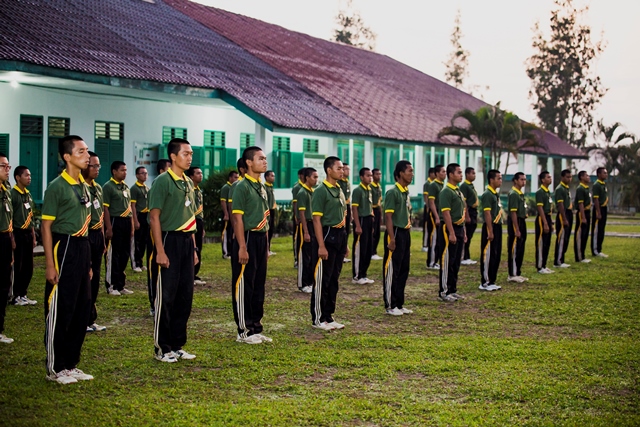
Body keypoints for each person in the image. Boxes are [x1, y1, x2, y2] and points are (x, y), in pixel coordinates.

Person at [41, 135, 94, 383]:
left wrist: (89, 263)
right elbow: (46, 226)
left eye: (87, 151)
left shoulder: (83, 185)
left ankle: (71, 363)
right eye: (81, 152)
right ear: (67, 157)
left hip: (82, 246)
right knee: (61, 307)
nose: (87, 156)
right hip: (65, 245)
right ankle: (56, 367)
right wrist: (50, 264)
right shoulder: (57, 186)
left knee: (81, 308)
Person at [149, 138, 198, 362]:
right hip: (169, 240)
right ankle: (163, 347)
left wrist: (194, 248)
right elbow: (154, 217)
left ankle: (177, 344)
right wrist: (159, 250)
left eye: (190, 154)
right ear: (173, 156)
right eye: (185, 154)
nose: (189, 158)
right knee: (166, 295)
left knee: (184, 295)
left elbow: (190, 217)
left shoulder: (187, 182)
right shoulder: (162, 181)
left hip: (187, 242)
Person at [231, 146, 272, 344]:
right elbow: (237, 219)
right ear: (248, 162)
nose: (264, 162)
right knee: (244, 283)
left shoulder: (261, 186)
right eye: (260, 158)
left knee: (258, 284)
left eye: (265, 159)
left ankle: (255, 326)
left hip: (260, 238)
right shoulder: (241, 186)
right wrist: (241, 246)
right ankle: (244, 330)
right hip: (246, 237)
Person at [310, 156, 347, 331]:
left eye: (342, 168)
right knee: (323, 279)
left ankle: (329, 316)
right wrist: (321, 245)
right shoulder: (321, 191)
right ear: (329, 170)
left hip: (340, 235)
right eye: (339, 168)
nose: (342, 171)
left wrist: (345, 243)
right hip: (327, 235)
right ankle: (318, 318)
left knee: (334, 279)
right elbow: (316, 220)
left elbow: (343, 217)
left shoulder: (339, 189)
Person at [383, 161, 414, 314]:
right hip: (395, 232)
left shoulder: (405, 191)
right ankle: (390, 304)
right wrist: (391, 238)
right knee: (392, 269)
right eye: (410, 171)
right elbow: (388, 217)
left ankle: (399, 303)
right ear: (401, 173)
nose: (412, 174)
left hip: (405, 232)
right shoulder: (392, 192)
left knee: (403, 269)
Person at [82, 152, 107, 333]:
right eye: (93, 166)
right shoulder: (80, 188)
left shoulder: (98, 188)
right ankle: (81, 319)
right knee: (85, 277)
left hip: (97, 235)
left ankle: (90, 318)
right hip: (85, 235)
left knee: (95, 277)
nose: (97, 169)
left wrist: (104, 238)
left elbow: (102, 214)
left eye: (98, 166)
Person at [103, 161, 134, 295]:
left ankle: (121, 284)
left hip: (126, 221)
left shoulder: (126, 187)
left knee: (124, 254)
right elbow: (105, 208)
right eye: (122, 170)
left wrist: (132, 226)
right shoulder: (108, 187)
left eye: (126, 170)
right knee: (113, 254)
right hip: (115, 221)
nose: (125, 173)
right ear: (114, 171)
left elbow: (129, 208)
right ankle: (112, 285)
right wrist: (109, 227)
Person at [438, 163, 467, 302]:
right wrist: (451, 232)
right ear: (451, 174)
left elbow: (461, 212)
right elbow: (446, 213)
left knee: (456, 261)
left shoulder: (458, 191)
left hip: (459, 228)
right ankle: (444, 291)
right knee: (447, 260)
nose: (461, 175)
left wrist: (464, 231)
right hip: (449, 228)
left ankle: (452, 289)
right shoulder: (446, 192)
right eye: (459, 172)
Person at [146, 159, 172, 316]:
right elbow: (154, 215)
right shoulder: (159, 183)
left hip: (171, 231)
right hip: (158, 229)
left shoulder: (181, 182)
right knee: (155, 267)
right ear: (162, 170)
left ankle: (167, 302)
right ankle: (154, 302)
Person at [10, 166, 37, 305]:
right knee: (18, 265)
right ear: (17, 177)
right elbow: (9, 218)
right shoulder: (12, 194)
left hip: (27, 233)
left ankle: (23, 293)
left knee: (28, 266)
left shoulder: (28, 194)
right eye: (26, 175)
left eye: (30, 175)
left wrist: (33, 236)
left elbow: (31, 217)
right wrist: (12, 238)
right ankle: (15, 296)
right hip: (17, 232)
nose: (29, 178)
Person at [479, 170, 503, 292]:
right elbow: (487, 213)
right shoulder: (488, 194)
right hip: (491, 226)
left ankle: (492, 280)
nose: (500, 180)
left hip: (497, 226)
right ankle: (485, 282)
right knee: (488, 255)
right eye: (498, 178)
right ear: (491, 180)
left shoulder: (494, 194)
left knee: (496, 254)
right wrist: (490, 230)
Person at [0, 153, 15, 344]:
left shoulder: (6, 189)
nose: (7, 169)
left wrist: (11, 238)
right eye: (3, 166)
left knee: (3, 284)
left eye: (8, 166)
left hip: (4, 238)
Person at [351, 167, 375, 285]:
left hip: (369, 220)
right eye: (368, 176)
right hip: (361, 220)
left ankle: (364, 274)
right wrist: (357, 225)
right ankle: (357, 275)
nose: (370, 178)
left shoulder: (369, 189)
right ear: (361, 177)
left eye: (371, 175)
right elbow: (354, 208)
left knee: (368, 248)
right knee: (360, 248)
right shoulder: (358, 190)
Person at [296, 168, 318, 293]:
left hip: (313, 225)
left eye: (317, 177)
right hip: (306, 225)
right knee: (305, 255)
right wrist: (305, 232)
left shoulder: (312, 191)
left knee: (312, 254)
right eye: (314, 177)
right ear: (307, 178)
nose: (316, 180)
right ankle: (303, 283)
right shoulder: (302, 192)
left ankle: (310, 281)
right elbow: (302, 214)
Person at [507, 172, 529, 283]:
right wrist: (516, 228)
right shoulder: (514, 193)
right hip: (516, 221)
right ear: (515, 180)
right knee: (514, 248)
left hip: (522, 220)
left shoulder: (520, 193)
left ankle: (517, 272)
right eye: (521, 179)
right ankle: (512, 274)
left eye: (525, 179)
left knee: (520, 248)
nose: (523, 182)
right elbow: (513, 213)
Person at [186, 166, 206, 285]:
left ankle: (194, 273)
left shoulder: (198, 190)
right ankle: (190, 274)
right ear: (191, 176)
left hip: (199, 221)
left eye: (201, 173)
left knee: (199, 247)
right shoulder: (189, 190)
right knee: (192, 248)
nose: (201, 175)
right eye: (198, 173)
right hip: (191, 220)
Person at [130, 166, 149, 273]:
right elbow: (133, 205)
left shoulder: (146, 188)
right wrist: (135, 220)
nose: (145, 175)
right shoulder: (134, 188)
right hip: (139, 215)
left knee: (143, 241)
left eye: (146, 173)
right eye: (142, 173)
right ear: (137, 175)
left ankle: (141, 262)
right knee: (137, 241)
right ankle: (135, 263)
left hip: (146, 216)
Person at [535, 171, 554, 274]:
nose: (550, 179)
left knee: (547, 242)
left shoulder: (547, 191)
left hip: (548, 217)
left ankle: (544, 265)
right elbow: (540, 207)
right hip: (542, 218)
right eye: (548, 177)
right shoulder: (540, 192)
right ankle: (539, 266)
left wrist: (551, 223)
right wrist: (545, 223)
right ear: (542, 180)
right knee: (541, 242)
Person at [427, 165, 445, 269]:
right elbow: (431, 202)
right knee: (433, 239)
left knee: (439, 239)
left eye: (445, 172)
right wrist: (437, 216)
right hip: (434, 214)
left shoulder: (442, 185)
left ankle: (436, 261)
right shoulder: (433, 185)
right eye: (443, 172)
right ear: (437, 173)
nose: (445, 174)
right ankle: (431, 262)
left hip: (440, 214)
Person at [553, 169, 573, 268]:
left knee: (566, 237)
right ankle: (558, 261)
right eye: (567, 177)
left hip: (568, 212)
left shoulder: (566, 188)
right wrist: (564, 218)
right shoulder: (560, 188)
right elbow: (560, 204)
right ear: (562, 177)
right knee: (561, 238)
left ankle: (562, 259)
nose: (569, 179)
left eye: (570, 177)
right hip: (563, 213)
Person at [459, 167, 479, 265]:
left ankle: (467, 255)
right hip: (469, 211)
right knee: (466, 235)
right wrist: (467, 215)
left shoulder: (471, 186)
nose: (474, 175)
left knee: (470, 236)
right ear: (467, 174)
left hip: (474, 211)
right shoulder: (464, 186)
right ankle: (463, 256)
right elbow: (464, 202)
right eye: (473, 173)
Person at [219, 170, 238, 260]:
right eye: (235, 177)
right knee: (226, 233)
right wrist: (226, 213)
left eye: (237, 177)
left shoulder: (235, 187)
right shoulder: (226, 187)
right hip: (227, 212)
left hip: (233, 212)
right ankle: (225, 252)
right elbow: (223, 201)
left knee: (231, 232)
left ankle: (230, 251)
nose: (236, 179)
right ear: (230, 178)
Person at [574, 171, 592, 263]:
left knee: (585, 235)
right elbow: (580, 203)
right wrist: (583, 217)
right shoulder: (580, 188)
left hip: (587, 212)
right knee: (580, 235)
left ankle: (583, 255)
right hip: (582, 213)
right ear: (581, 177)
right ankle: (579, 256)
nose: (588, 177)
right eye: (586, 175)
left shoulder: (586, 188)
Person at [591, 167, 609, 257]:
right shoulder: (597, 185)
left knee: (602, 230)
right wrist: (598, 212)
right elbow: (596, 199)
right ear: (599, 174)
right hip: (599, 208)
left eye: (606, 173)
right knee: (597, 230)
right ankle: (595, 250)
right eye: (604, 173)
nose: (606, 174)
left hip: (604, 208)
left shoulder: (603, 184)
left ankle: (599, 249)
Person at [291, 168, 305, 269]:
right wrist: (297, 216)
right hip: (299, 216)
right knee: (297, 238)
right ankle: (297, 259)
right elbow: (295, 203)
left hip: (306, 216)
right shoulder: (297, 187)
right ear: (300, 175)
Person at [338, 163, 352, 262]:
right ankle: (340, 253)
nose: (347, 171)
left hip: (347, 207)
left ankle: (343, 252)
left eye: (348, 169)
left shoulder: (347, 182)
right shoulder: (339, 182)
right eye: (345, 169)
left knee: (347, 230)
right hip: (341, 208)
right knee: (341, 230)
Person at [370, 168, 383, 260]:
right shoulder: (371, 186)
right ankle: (371, 252)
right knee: (372, 232)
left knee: (378, 232)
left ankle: (374, 251)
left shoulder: (378, 186)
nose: (379, 176)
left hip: (377, 209)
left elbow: (380, 201)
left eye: (380, 174)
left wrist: (381, 213)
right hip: (372, 209)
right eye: (377, 174)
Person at [422, 167, 435, 253]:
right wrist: (428, 206)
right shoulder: (427, 184)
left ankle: (428, 243)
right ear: (430, 174)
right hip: (428, 207)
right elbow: (426, 196)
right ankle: (425, 245)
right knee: (427, 226)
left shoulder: (434, 183)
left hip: (432, 206)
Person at [264, 170, 277, 255]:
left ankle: (268, 248)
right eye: (271, 176)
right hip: (267, 211)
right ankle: (266, 249)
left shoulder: (271, 187)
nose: (273, 177)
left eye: (274, 176)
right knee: (267, 230)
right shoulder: (265, 187)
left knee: (271, 229)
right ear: (267, 177)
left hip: (272, 210)